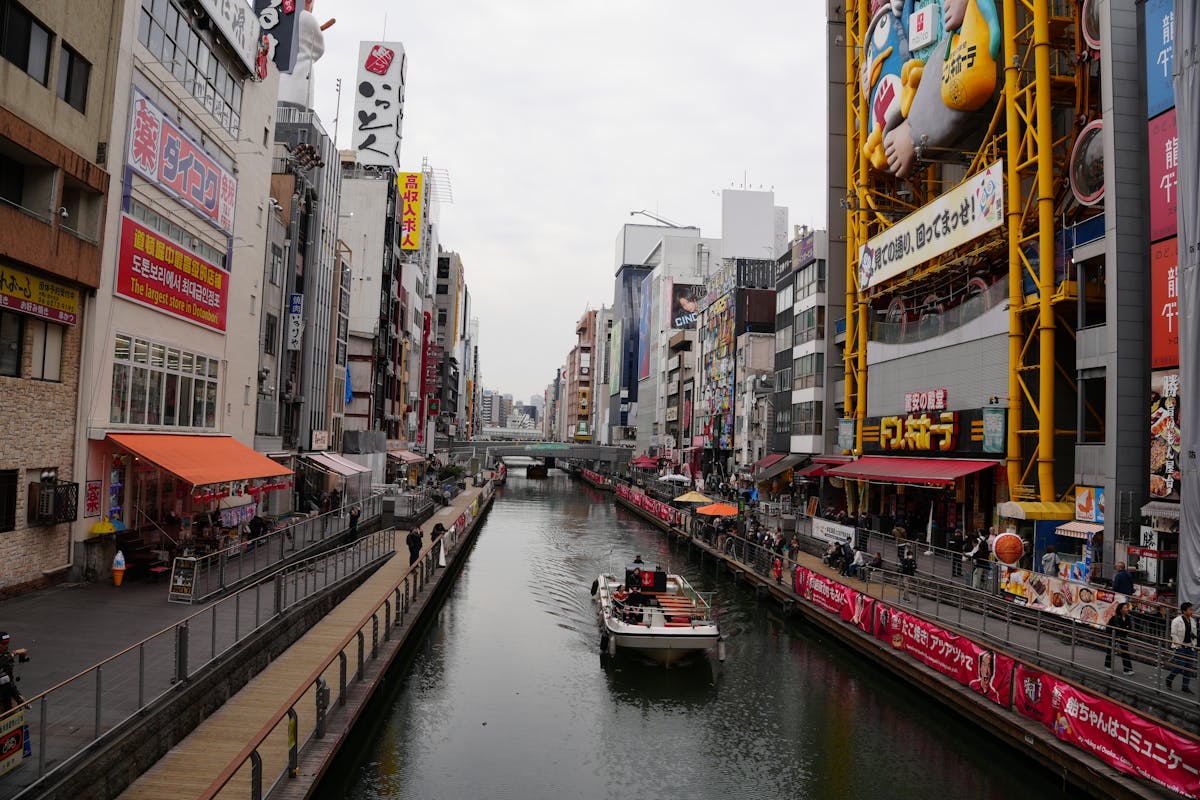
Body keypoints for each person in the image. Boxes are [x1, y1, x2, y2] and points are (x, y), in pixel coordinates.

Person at [1167, 602, 1197, 694]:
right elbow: (1173, 634)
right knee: (1181, 665)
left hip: (1190, 646)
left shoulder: (1192, 620)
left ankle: (1185, 686)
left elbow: (1194, 633)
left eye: (1192, 609)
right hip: (1180, 646)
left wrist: (1194, 644)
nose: (1192, 611)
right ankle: (1169, 678)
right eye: (1190, 609)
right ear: (1184, 611)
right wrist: (1179, 645)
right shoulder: (1176, 620)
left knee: (1189, 667)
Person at [0, 632, 29, 713]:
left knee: (16, 717)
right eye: (3, 643)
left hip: (8, 695)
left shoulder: (6, 655)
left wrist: (18, 695)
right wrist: (14, 653)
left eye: (7, 643)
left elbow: (10, 679)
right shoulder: (7, 657)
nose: (6, 646)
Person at [1104, 602, 1135, 675]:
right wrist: (1111, 636)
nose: (1127, 609)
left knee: (1125, 652)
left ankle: (1127, 670)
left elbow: (1129, 627)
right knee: (1110, 651)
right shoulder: (1115, 617)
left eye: (1127, 608)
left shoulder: (1128, 617)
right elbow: (1109, 627)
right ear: (1121, 609)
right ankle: (1108, 665)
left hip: (1123, 637)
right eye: (1125, 608)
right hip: (1114, 636)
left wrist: (1125, 629)